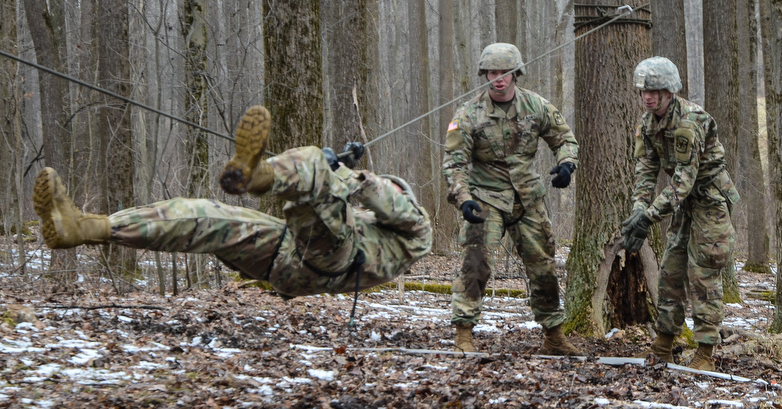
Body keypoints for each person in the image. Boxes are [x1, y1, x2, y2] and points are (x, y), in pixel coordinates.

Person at [33, 106, 432, 301]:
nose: (389, 194)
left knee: (314, 167)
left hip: (330, 264)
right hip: (282, 256)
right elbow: (355, 203)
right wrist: (341, 174)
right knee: (207, 218)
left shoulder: (416, 233)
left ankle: (259, 177)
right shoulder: (366, 220)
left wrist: (345, 173)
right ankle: (84, 228)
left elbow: (387, 204)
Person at [442, 42, 582, 355]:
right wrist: (463, 199)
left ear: (516, 73)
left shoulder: (536, 106)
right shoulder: (468, 115)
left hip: (527, 197)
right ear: (485, 75)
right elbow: (454, 164)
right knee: (475, 263)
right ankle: (464, 333)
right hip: (485, 199)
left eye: (505, 72)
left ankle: (554, 335)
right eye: (493, 72)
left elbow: (564, 140)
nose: (499, 78)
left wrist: (567, 165)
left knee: (543, 265)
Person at [622, 57, 739, 371]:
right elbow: (645, 172)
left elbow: (684, 179)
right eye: (643, 91)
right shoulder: (647, 124)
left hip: (710, 198)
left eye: (655, 90)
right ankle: (664, 343)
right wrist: (637, 212)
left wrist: (650, 216)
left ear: (669, 91)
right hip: (682, 203)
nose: (647, 96)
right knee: (671, 269)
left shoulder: (689, 121)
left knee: (704, 273)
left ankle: (705, 352)